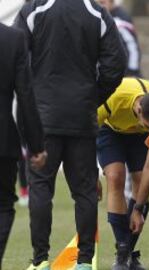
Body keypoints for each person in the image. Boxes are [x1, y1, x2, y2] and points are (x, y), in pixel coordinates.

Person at [14, 0, 127, 269]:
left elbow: (14, 54)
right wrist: (92, 98)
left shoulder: (34, 9)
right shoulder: (97, 12)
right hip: (82, 117)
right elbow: (116, 64)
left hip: (42, 119)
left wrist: (31, 97)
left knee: (40, 188)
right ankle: (85, 262)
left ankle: (40, 260)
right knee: (85, 191)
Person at [97, 77, 149, 270]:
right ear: (139, 111)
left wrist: (138, 208)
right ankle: (123, 251)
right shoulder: (112, 97)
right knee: (115, 177)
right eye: (148, 126)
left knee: (141, 183)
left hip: (138, 138)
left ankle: (127, 254)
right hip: (109, 130)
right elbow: (84, 133)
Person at [0, 22, 47, 270]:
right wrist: (37, 146)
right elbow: (26, 95)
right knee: (4, 205)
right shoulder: (13, 38)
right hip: (3, 139)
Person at [98, 0, 142, 77]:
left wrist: (133, 70)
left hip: (125, 70)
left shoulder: (121, 19)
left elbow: (132, 45)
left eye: (103, 3)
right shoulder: (101, 15)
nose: (100, 6)